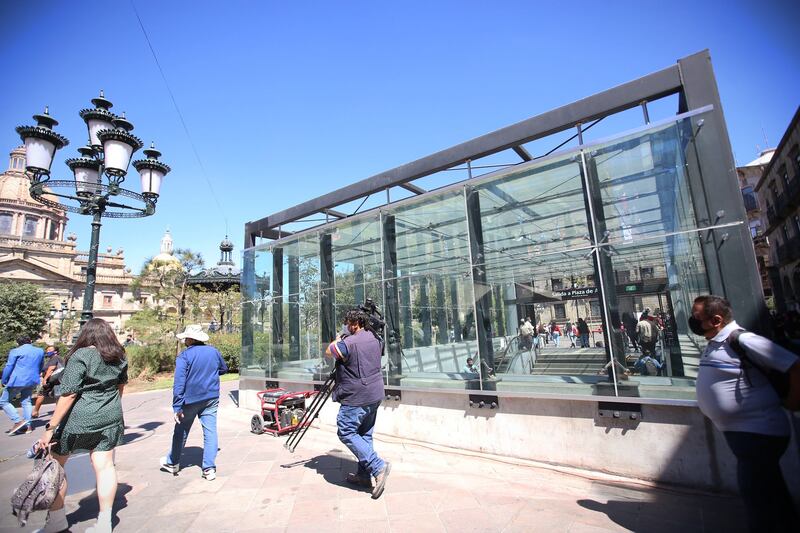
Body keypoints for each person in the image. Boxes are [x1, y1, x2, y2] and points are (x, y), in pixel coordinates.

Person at [692, 295, 799, 532]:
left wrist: (793, 402)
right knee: (771, 491)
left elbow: (794, 365)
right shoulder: (715, 341)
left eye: (697, 317)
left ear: (716, 319)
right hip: (744, 432)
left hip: (758, 431)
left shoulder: (743, 339)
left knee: (756, 497)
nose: (692, 321)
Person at [35, 318, 128, 533]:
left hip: (79, 418)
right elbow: (120, 387)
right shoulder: (119, 356)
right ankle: (105, 523)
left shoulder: (81, 355)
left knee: (55, 467)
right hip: (110, 415)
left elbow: (69, 393)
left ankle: (56, 522)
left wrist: (50, 428)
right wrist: (110, 408)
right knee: (105, 466)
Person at [325, 308, 391, 499]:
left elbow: (329, 351)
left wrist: (339, 337)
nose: (346, 326)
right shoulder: (375, 338)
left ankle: (378, 467)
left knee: (345, 430)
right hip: (375, 393)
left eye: (348, 323)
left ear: (355, 324)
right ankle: (364, 476)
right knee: (364, 434)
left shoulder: (349, 342)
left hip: (357, 397)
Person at [160, 324, 227, 481]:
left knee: (181, 431)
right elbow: (223, 369)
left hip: (189, 400)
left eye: (185, 338)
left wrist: (177, 405)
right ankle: (209, 468)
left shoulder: (184, 356)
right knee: (210, 432)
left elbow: (179, 383)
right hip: (211, 397)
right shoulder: (213, 352)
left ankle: (173, 462)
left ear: (190, 339)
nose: (184, 340)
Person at [1, 335, 44, 435]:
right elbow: (41, 365)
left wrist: (4, 379)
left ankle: (18, 421)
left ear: (18, 343)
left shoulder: (15, 351)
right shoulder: (39, 351)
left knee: (3, 401)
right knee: (26, 401)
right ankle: (28, 426)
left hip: (17, 380)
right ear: (30, 341)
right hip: (32, 379)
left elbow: (9, 366)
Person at [31, 346, 64, 418]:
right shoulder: (55, 358)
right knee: (57, 396)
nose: (48, 351)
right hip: (57, 380)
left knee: (42, 394)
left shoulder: (55, 358)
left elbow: (51, 369)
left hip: (52, 380)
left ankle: (35, 412)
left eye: (50, 350)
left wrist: (45, 379)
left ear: (55, 351)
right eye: (47, 350)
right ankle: (58, 413)